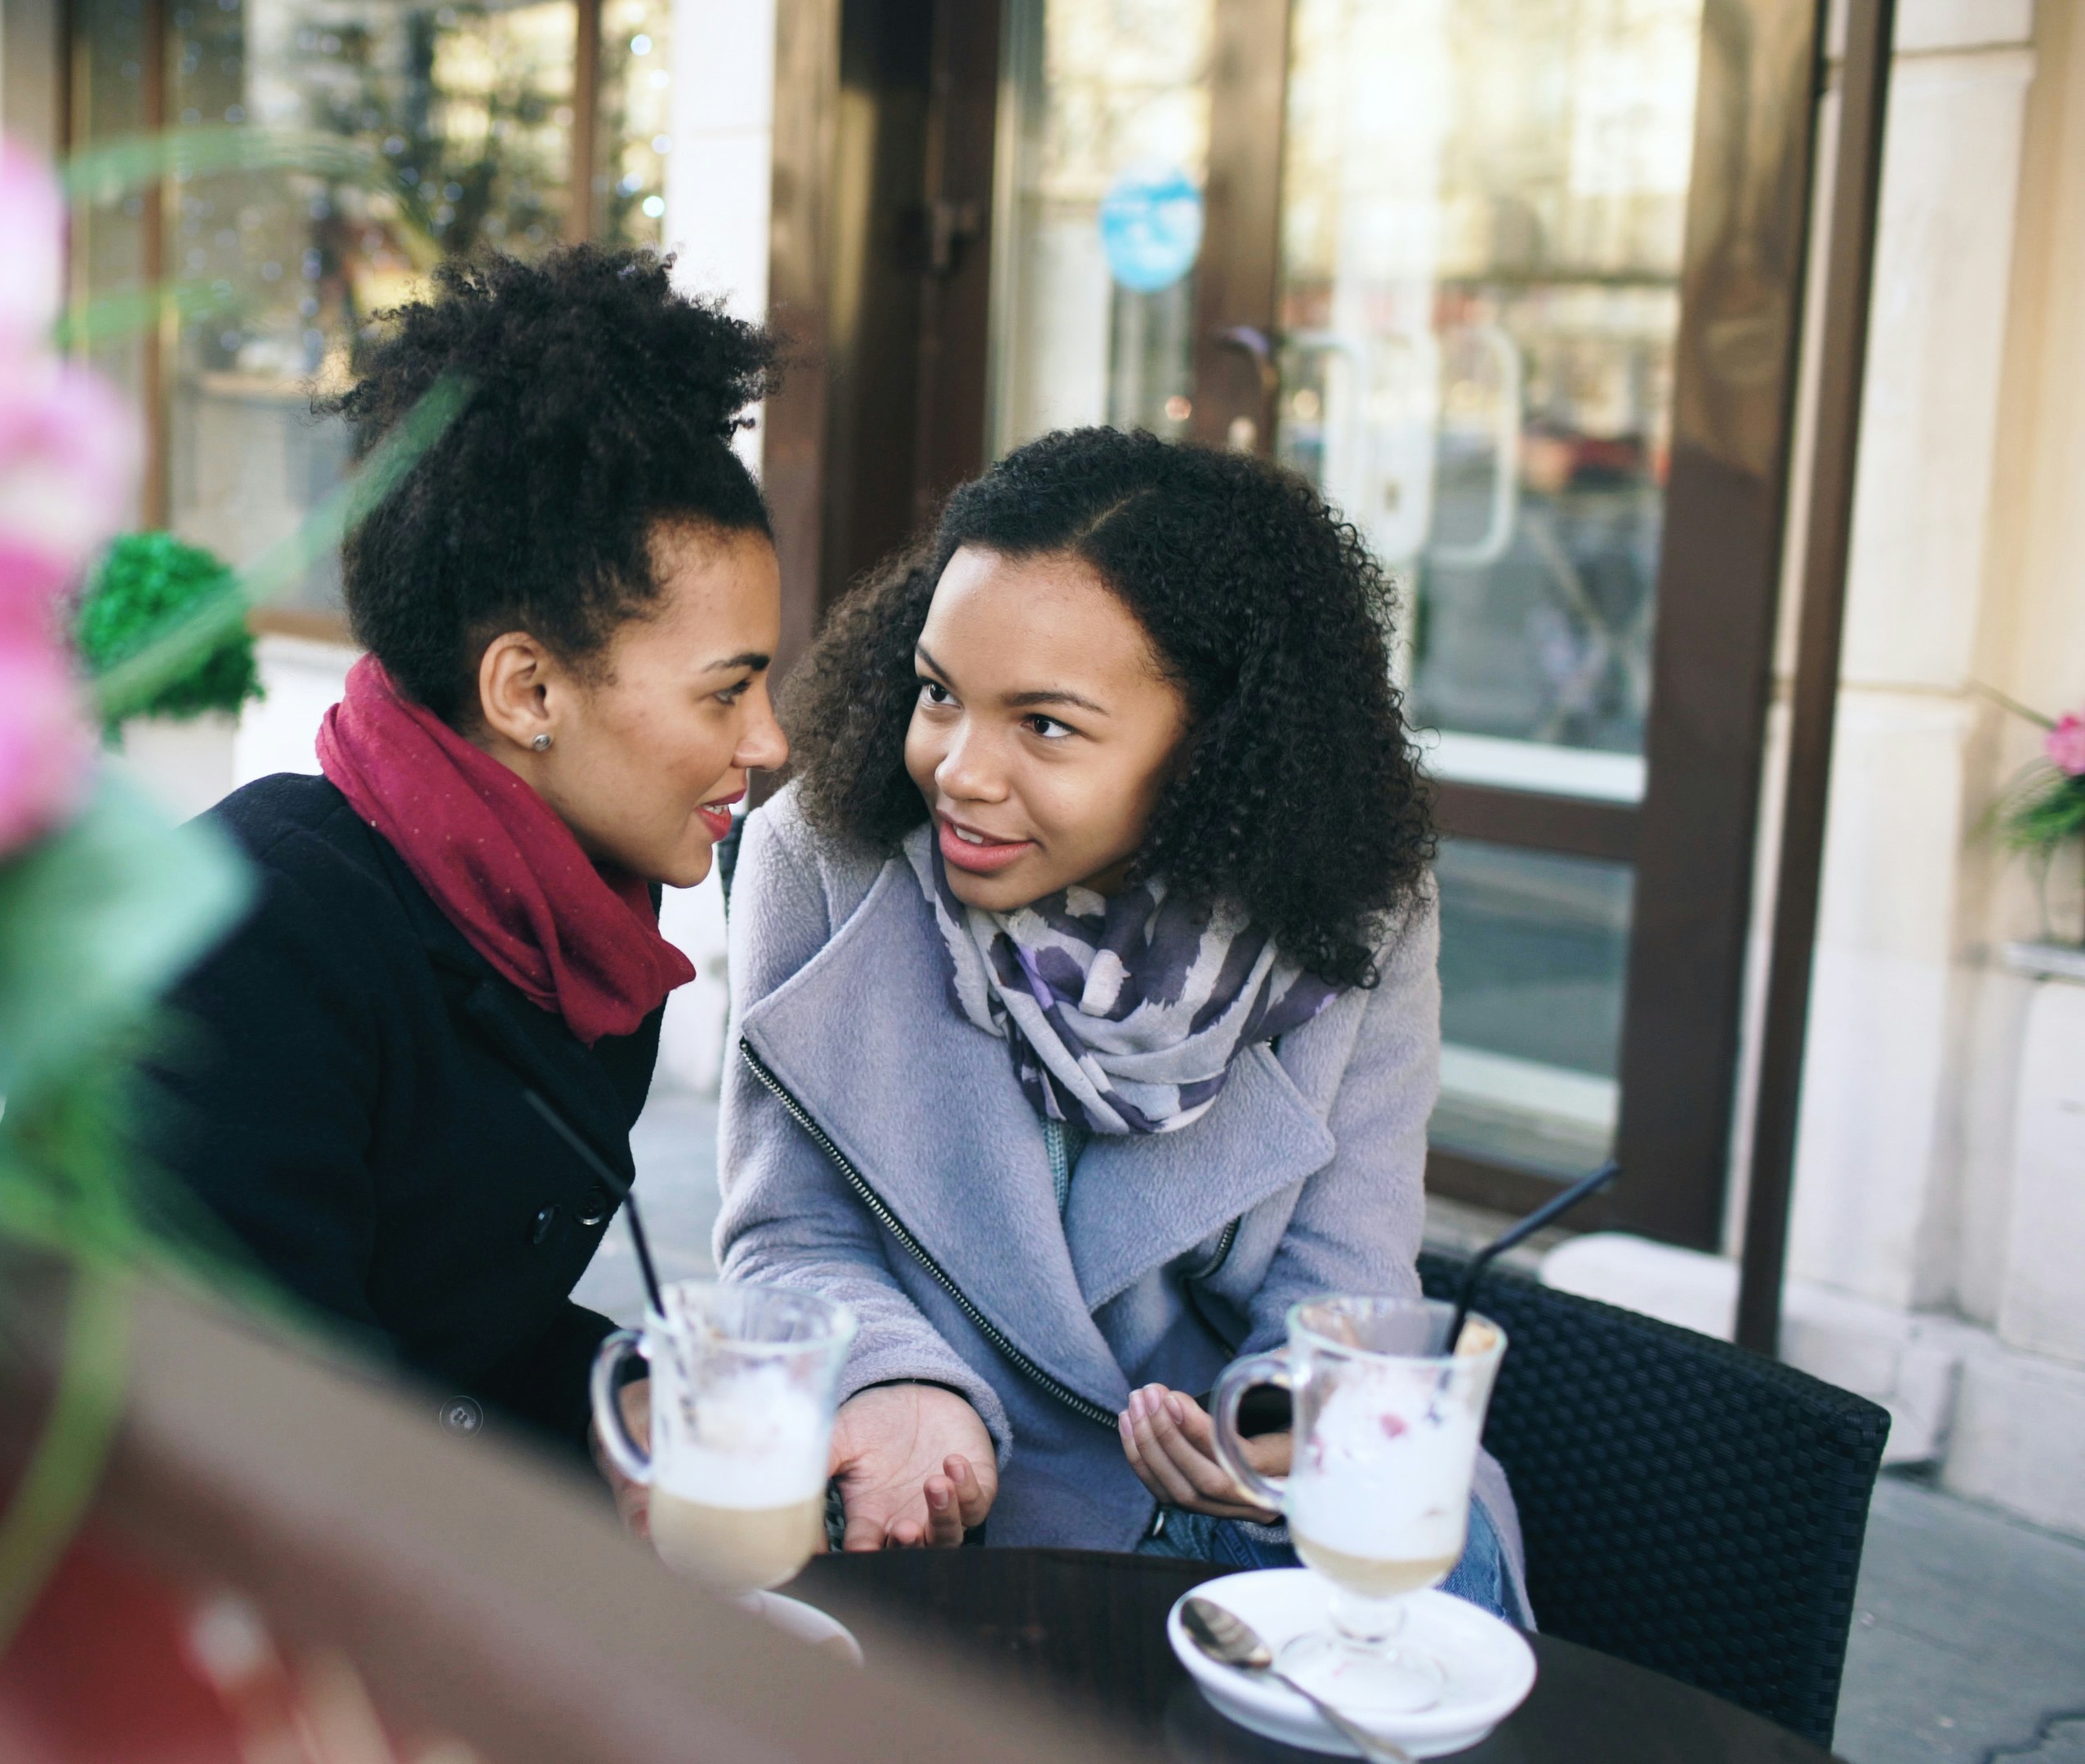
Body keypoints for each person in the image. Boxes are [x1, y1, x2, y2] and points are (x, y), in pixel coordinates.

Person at [717, 427, 1528, 1620]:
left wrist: (1274, 1439)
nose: (959, 770)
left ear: (1212, 748)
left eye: (1044, 725)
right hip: (964, 1503)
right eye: (939, 693)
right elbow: (785, 1236)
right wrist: (897, 1381)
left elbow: (1348, 1287)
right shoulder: (823, 863)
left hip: (1259, 1540)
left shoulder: (1352, 913)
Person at [138, 246, 786, 1461]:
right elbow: (288, 1435)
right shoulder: (245, 941)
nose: (769, 739)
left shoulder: (584, 942)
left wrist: (627, 1396)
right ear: (528, 688)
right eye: (725, 695)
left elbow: (458, 1335)